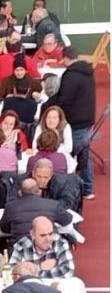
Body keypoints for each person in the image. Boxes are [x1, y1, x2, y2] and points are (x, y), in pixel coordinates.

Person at [42, 48, 96, 198]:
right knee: (84, 155)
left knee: (74, 155)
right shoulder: (88, 72)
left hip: (75, 121)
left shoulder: (70, 76)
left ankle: (78, 189)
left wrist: (49, 108)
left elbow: (64, 99)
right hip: (87, 119)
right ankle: (87, 188)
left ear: (65, 58)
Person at [0, 179, 72, 245]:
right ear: (39, 192)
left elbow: (4, 227)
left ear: (20, 192)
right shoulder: (53, 205)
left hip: (20, 249)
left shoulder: (10, 207)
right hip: (46, 247)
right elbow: (67, 220)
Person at [10, 216, 75, 278]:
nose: (48, 239)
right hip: (29, 288)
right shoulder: (22, 245)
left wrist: (31, 271)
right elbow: (12, 272)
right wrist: (39, 267)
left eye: (50, 234)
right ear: (32, 234)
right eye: (43, 235)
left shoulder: (60, 243)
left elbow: (68, 272)